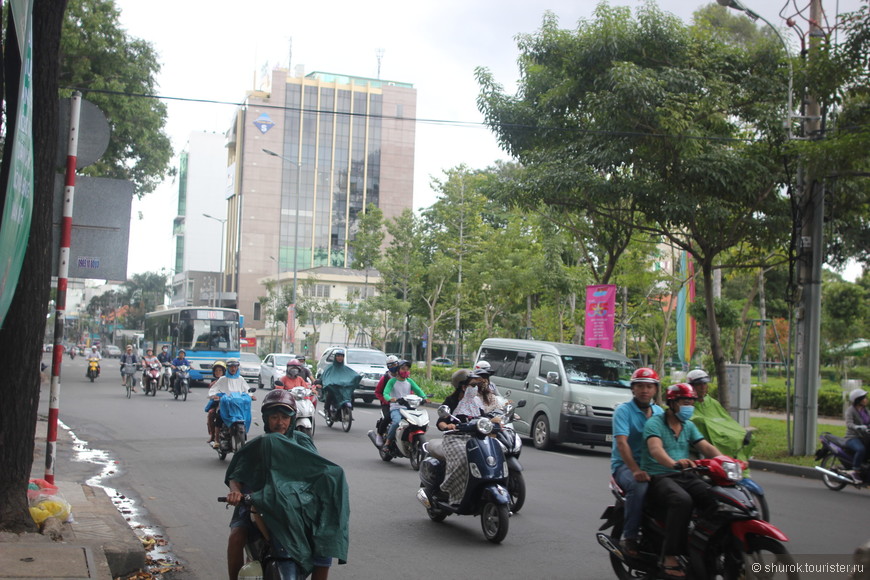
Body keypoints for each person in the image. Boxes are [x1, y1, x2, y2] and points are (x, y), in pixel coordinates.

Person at [224, 389, 349, 580]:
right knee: (236, 537)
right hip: (257, 500)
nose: (279, 422)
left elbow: (319, 471)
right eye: (274, 417)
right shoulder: (259, 444)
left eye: (284, 417)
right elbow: (236, 474)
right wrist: (235, 492)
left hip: (295, 505)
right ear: (266, 419)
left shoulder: (303, 442)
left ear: (292, 419)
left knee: (324, 540)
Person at [641, 383, 723, 578]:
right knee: (682, 500)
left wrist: (725, 461)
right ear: (673, 403)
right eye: (685, 402)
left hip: (684, 475)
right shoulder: (654, 423)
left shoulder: (688, 425)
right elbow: (655, 449)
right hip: (660, 475)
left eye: (691, 402)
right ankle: (669, 556)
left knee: (716, 498)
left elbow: (706, 447)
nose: (689, 406)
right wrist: (673, 463)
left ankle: (700, 544)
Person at [610, 367, 663, 558]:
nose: (645, 390)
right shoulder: (623, 411)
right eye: (640, 386)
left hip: (655, 466)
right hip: (626, 466)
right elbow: (622, 444)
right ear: (633, 389)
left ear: (655, 390)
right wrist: (635, 470)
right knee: (639, 486)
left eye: (649, 386)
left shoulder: (659, 413)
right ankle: (630, 537)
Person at [685, 369, 754, 468]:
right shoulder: (687, 402)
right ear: (691, 386)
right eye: (699, 384)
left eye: (705, 384)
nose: (703, 387)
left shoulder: (713, 403)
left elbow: (727, 421)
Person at [436, 369, 486, 504]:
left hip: (476, 439)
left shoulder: (477, 402)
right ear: (463, 386)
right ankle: (448, 490)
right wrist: (447, 426)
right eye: (473, 385)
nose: (476, 388)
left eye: (477, 385)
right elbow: (440, 422)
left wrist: (496, 422)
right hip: (455, 438)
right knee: (464, 458)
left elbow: (484, 419)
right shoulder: (451, 401)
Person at [382, 360, 427, 448]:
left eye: (407, 369)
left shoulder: (409, 381)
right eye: (403, 369)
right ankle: (387, 442)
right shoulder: (392, 381)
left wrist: (424, 397)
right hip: (396, 408)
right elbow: (385, 393)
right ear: (398, 370)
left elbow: (418, 390)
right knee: (396, 422)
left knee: (419, 422)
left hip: (409, 408)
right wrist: (390, 399)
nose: (405, 371)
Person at [373, 355, 401, 447]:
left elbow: (410, 388)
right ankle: (380, 434)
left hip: (402, 403)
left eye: (395, 364)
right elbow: (378, 392)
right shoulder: (385, 378)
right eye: (390, 365)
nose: (393, 367)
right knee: (388, 418)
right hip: (388, 404)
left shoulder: (402, 377)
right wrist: (386, 400)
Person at [845, 388, 870, 483]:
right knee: (861, 449)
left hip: (864, 437)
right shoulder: (850, 411)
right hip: (852, 437)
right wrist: (858, 427)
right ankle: (855, 471)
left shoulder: (865, 411)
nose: (866, 399)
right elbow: (849, 424)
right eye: (864, 398)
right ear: (858, 400)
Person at [206, 361, 227, 447]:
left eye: (220, 370)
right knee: (211, 414)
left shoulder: (228, 380)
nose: (218, 372)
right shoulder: (214, 383)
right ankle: (213, 436)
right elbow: (211, 393)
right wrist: (214, 396)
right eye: (216, 370)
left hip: (229, 403)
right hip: (218, 404)